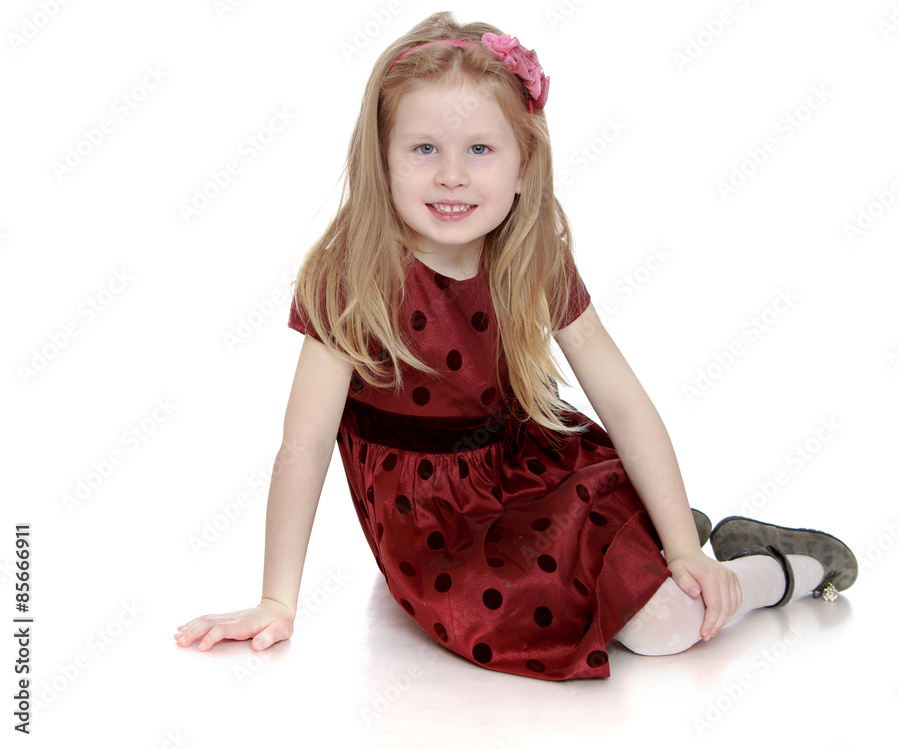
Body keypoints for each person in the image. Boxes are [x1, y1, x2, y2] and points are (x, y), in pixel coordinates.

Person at [175, 11, 857, 680]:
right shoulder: (354, 280)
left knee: (666, 626)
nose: (451, 175)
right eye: (423, 149)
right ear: (380, 161)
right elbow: (303, 446)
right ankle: (658, 547)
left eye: (480, 149)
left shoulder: (532, 262)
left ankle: (770, 568)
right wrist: (277, 600)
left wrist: (685, 550)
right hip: (431, 525)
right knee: (620, 617)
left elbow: (624, 404)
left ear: (524, 163)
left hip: (532, 477)